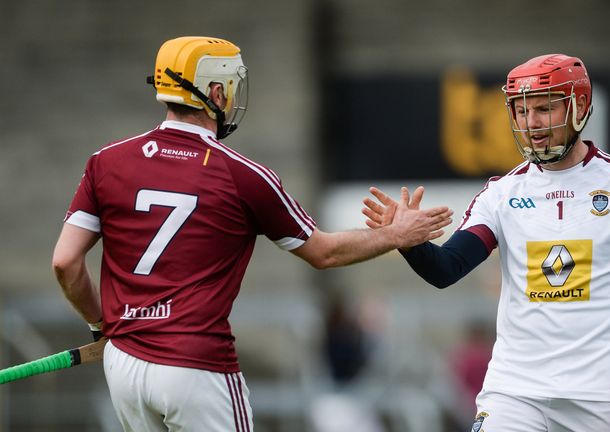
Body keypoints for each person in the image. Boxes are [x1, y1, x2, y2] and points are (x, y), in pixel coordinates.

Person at [51, 36, 452, 432]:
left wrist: (102, 325)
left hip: (124, 365)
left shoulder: (106, 162)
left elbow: (66, 263)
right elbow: (324, 252)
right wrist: (394, 235)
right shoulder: (242, 175)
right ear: (213, 91)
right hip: (196, 366)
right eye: (229, 85)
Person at [363, 54, 610, 432]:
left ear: (579, 106)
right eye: (522, 110)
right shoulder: (501, 194)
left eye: (545, 109)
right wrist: (408, 242)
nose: (532, 123)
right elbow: (446, 270)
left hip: (601, 399)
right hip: (514, 394)